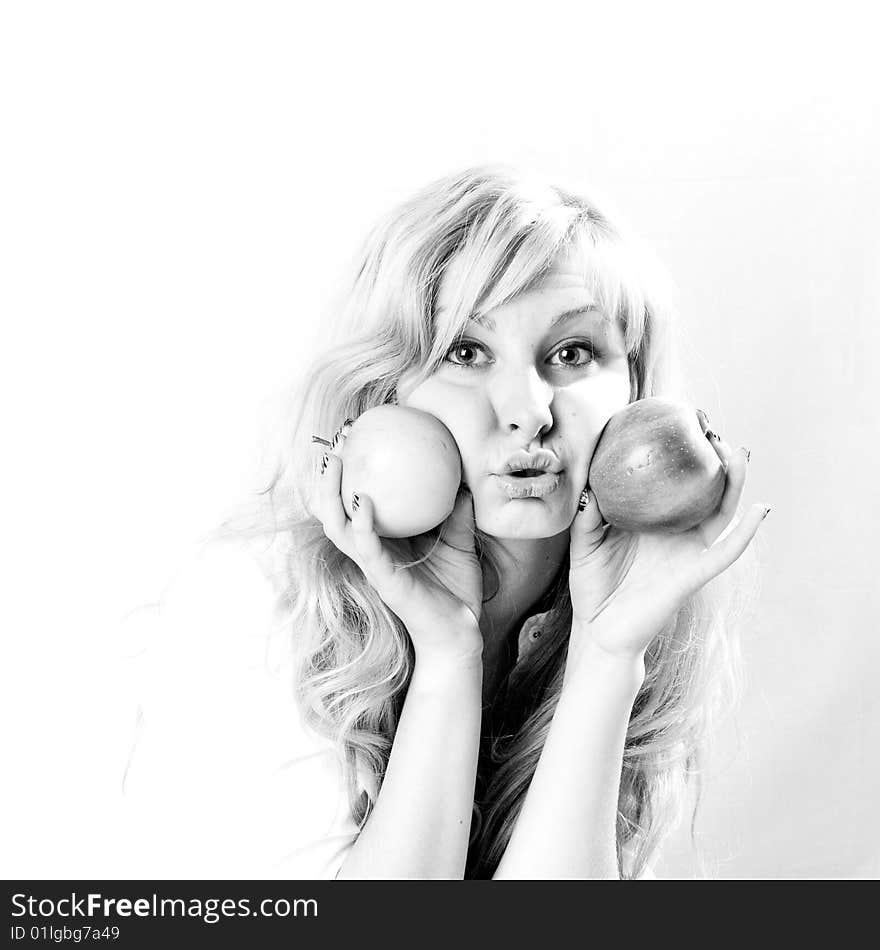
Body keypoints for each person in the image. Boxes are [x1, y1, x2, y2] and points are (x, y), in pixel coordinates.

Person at [120, 164, 767, 880]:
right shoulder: (263, 603)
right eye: (465, 352)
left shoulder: (633, 613)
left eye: (573, 353)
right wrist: (448, 661)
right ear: (386, 388)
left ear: (636, 388)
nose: (528, 410)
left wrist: (606, 658)